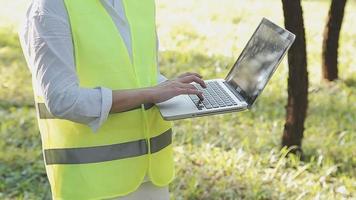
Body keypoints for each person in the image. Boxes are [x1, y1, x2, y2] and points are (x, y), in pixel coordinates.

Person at [19, 0, 206, 199]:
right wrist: (149, 93)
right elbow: (63, 100)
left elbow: (142, 73)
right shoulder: (50, 7)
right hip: (92, 184)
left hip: (152, 175)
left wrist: (173, 88)